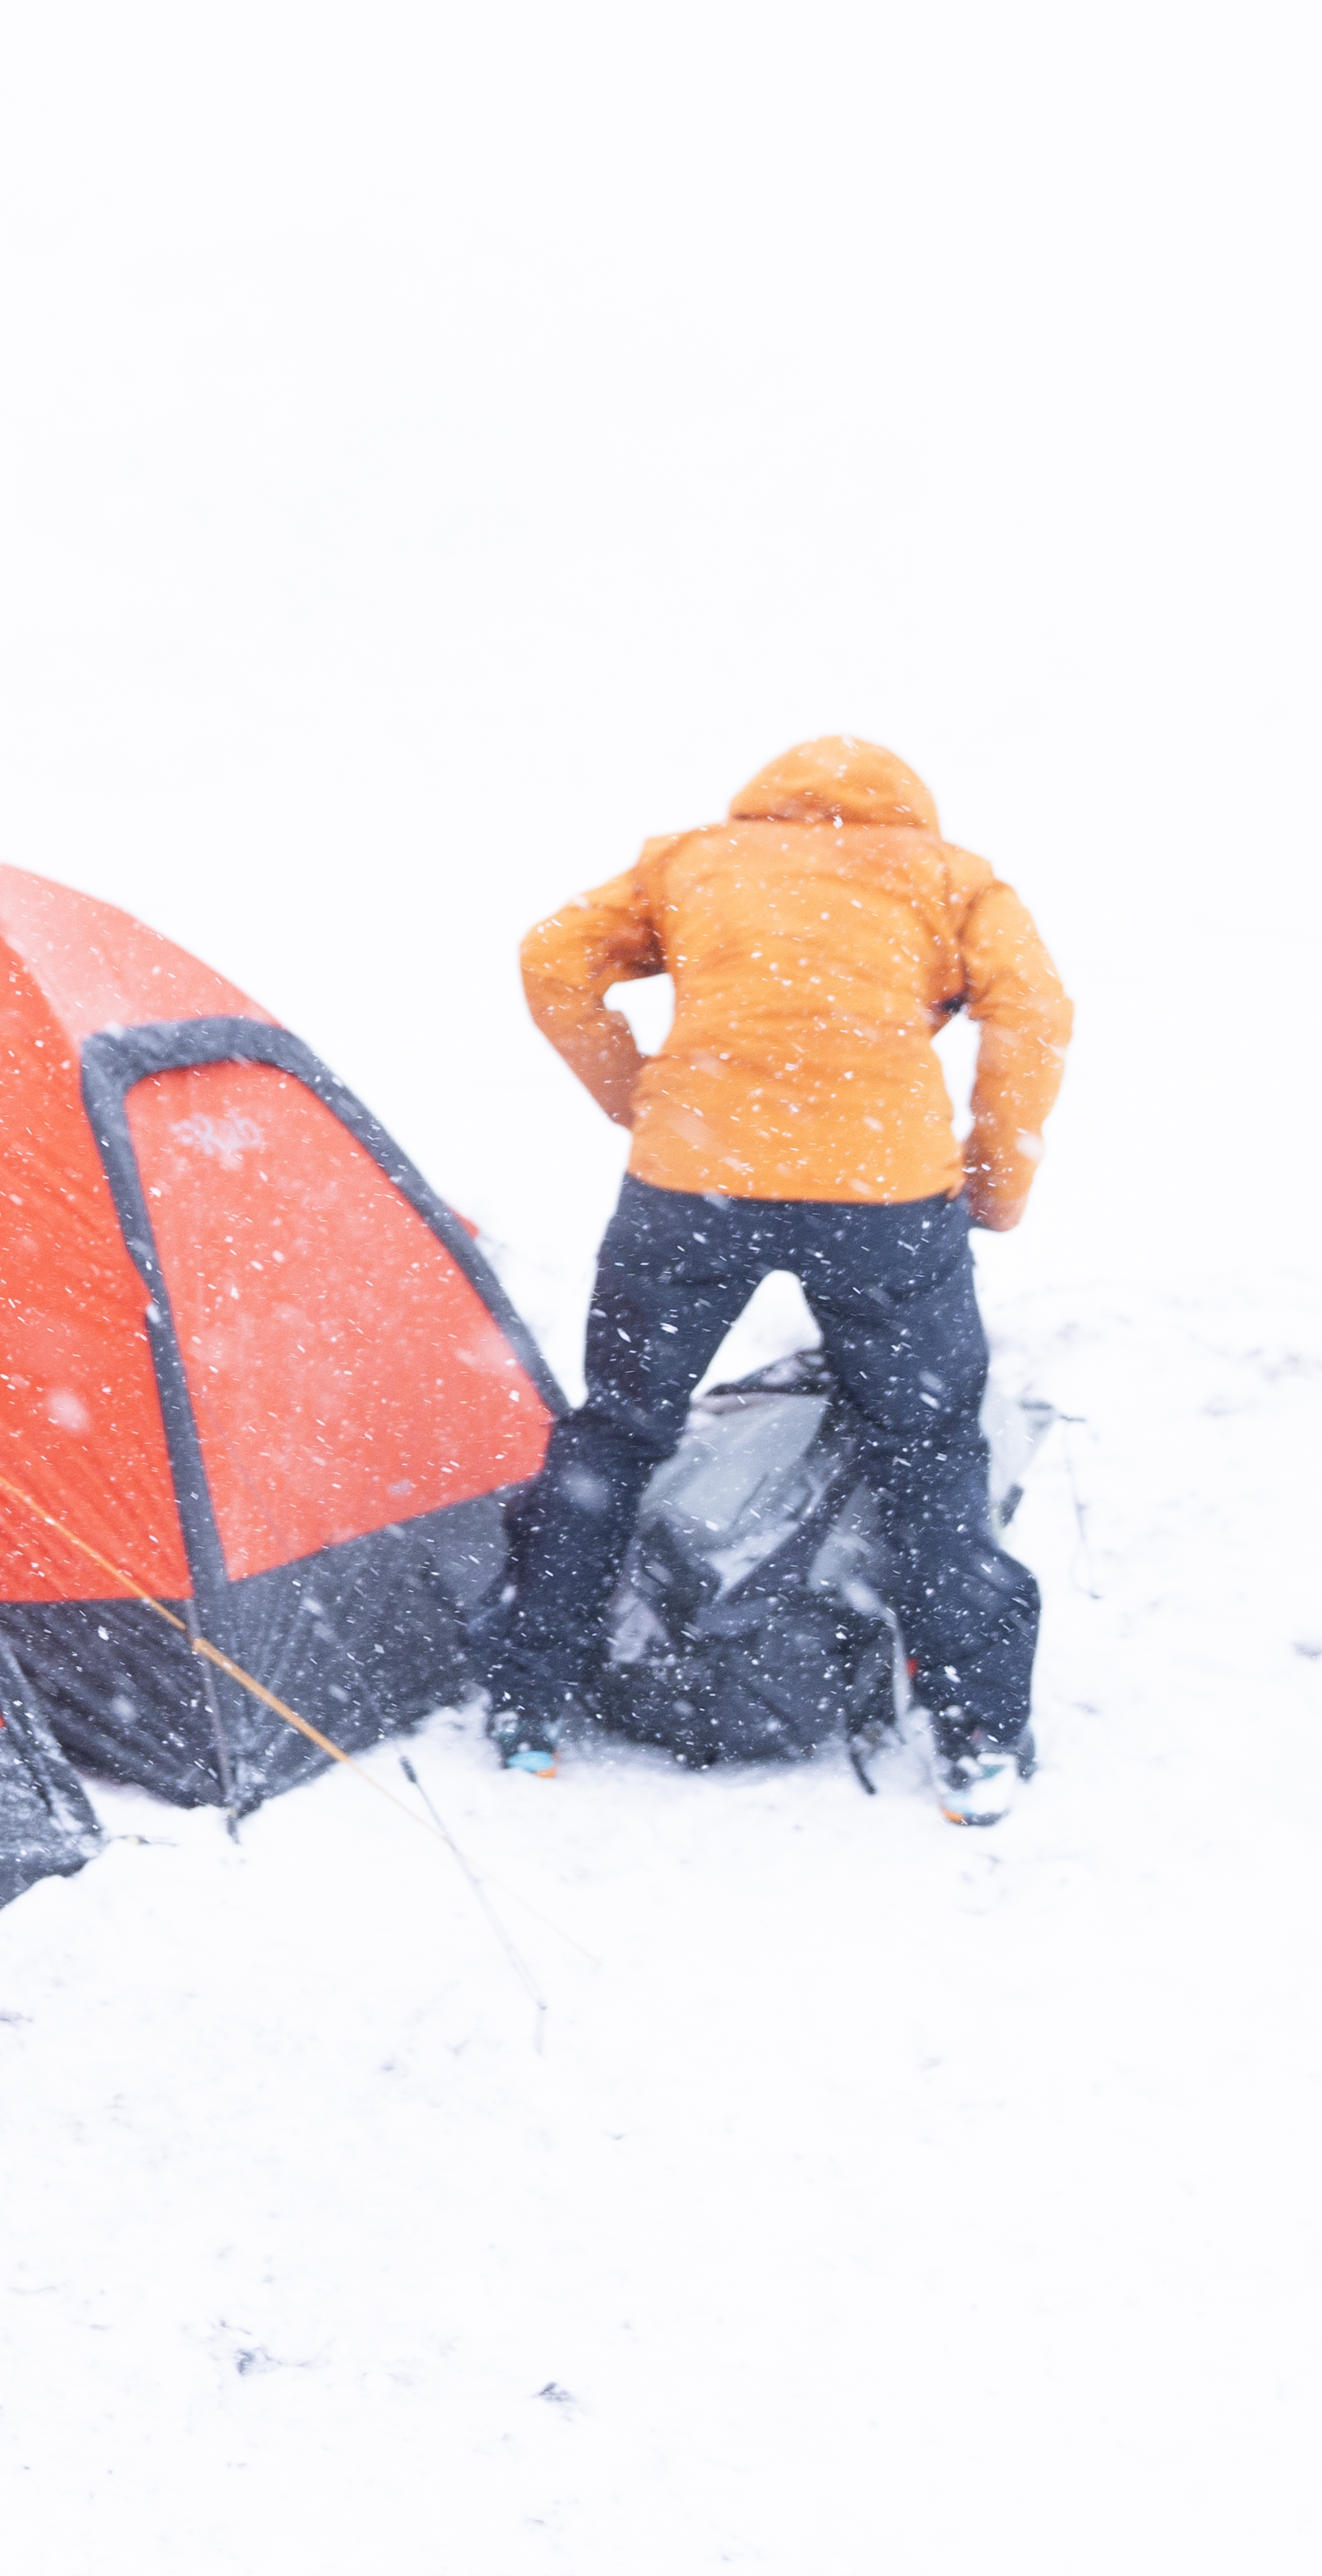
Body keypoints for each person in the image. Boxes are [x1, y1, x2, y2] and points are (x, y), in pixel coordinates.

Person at [470, 738, 1072, 1825]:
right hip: (884, 1196)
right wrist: (993, 1184)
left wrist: (642, 1097)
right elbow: (1032, 1015)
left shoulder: (690, 863)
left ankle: (528, 1703)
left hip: (693, 1179)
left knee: (615, 1432)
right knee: (928, 1453)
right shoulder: (950, 879)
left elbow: (551, 960)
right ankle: (974, 1737)